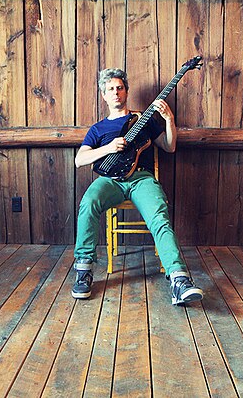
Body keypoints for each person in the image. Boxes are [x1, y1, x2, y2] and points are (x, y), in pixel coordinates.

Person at [72, 67, 204, 305]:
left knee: (159, 215)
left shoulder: (142, 120)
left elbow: (169, 147)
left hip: (141, 179)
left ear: (126, 91)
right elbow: (80, 160)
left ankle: (179, 280)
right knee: (88, 203)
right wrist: (108, 148)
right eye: (110, 89)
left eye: (119, 88)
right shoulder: (98, 129)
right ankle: (84, 270)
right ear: (104, 95)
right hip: (109, 180)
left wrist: (169, 121)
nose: (116, 92)